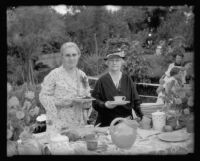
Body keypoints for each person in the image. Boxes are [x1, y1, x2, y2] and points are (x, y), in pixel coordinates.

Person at [39, 42, 91, 133]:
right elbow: (43, 96)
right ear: (62, 57)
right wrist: (63, 102)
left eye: (74, 55)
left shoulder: (82, 76)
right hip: (58, 123)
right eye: (67, 55)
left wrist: (87, 104)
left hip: (78, 123)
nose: (71, 58)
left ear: (79, 55)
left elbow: (87, 95)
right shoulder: (54, 74)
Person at [91, 50, 143, 127]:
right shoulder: (101, 80)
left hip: (125, 123)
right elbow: (94, 102)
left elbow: (136, 100)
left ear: (122, 62)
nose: (114, 63)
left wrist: (141, 116)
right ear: (107, 63)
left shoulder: (127, 79)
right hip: (106, 124)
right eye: (111, 60)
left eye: (117, 60)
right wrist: (105, 105)